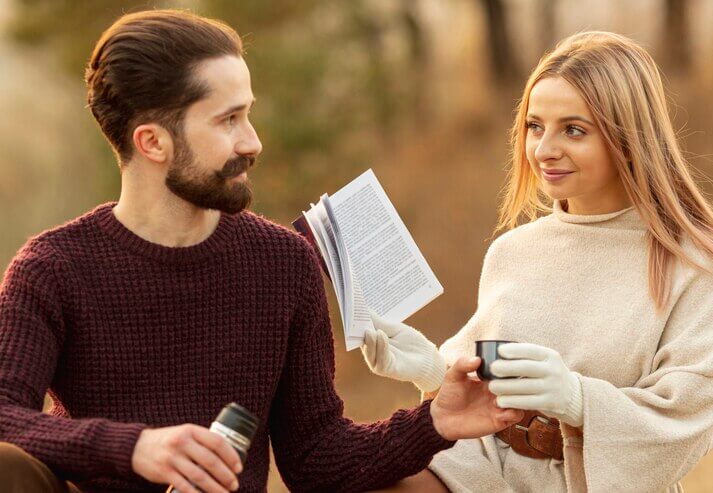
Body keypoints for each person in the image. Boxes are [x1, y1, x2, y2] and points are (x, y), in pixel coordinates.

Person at [0, 9, 525, 493]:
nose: (252, 141)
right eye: (228, 121)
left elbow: (317, 457)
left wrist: (435, 421)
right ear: (152, 143)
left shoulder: (283, 262)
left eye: (247, 115)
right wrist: (135, 447)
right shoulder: (52, 270)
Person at [362, 31, 713, 492]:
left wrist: (580, 401)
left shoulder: (696, 266)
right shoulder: (512, 250)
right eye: (535, 126)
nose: (543, 150)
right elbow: (489, 389)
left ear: (628, 137)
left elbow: (689, 416)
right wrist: (430, 369)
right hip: (481, 471)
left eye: (573, 130)